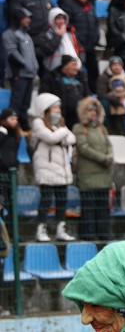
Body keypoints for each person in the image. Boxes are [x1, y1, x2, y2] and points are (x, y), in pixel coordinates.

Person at [29, 91, 77, 242]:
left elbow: (72, 138)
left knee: (62, 201)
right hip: (46, 169)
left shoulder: (59, 124)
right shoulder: (38, 123)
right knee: (46, 200)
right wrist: (63, 133)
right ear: (46, 108)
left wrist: (60, 134)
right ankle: (41, 229)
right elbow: (50, 138)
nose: (58, 111)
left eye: (59, 108)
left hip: (62, 170)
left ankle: (60, 229)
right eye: (55, 107)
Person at [72, 97, 113, 242]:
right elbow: (83, 148)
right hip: (88, 175)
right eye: (90, 110)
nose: (93, 113)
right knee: (88, 207)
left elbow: (109, 145)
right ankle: (88, 236)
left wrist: (110, 156)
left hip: (104, 175)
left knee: (103, 207)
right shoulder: (79, 128)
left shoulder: (102, 128)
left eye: (95, 110)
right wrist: (102, 158)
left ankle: (103, 235)